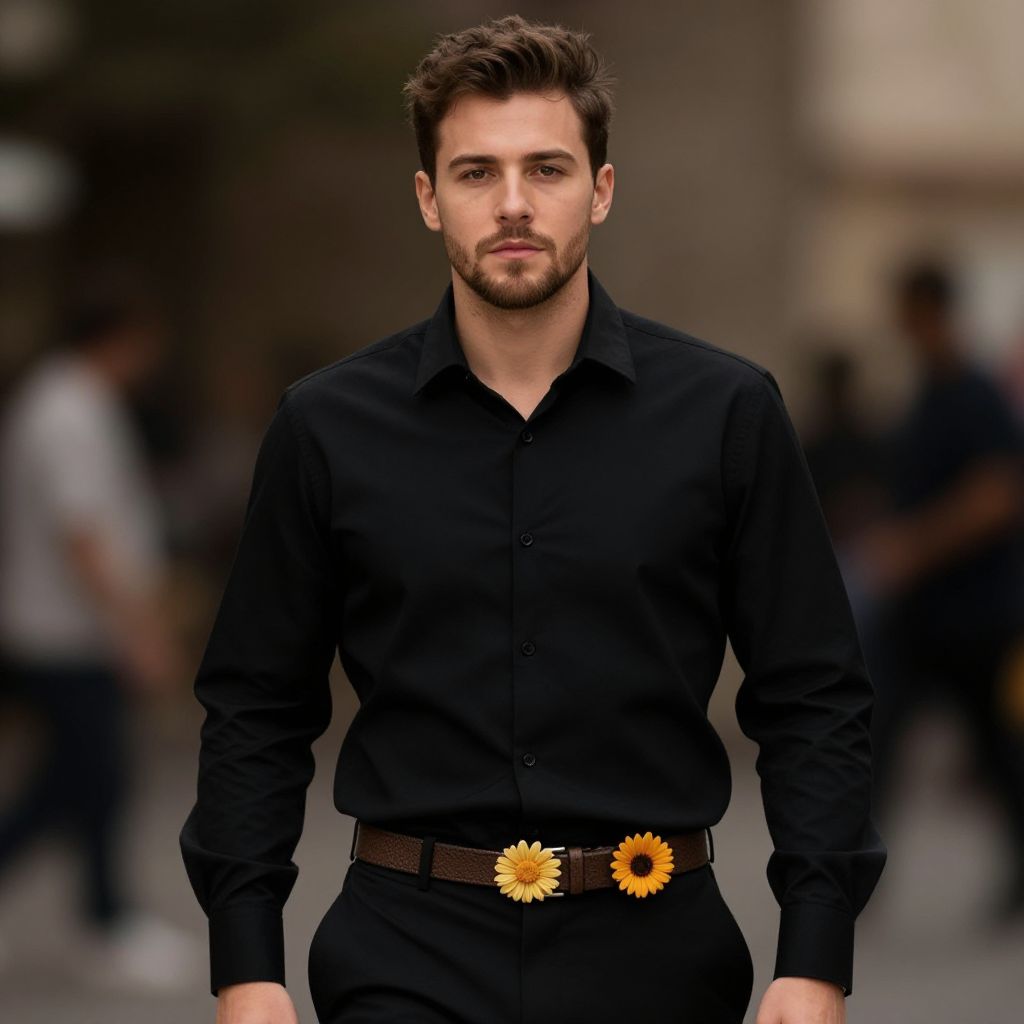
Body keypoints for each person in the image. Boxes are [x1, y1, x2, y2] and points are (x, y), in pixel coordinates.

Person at [179, 14, 886, 1024]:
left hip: (657, 956)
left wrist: (815, 955)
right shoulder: (326, 426)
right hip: (401, 955)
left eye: (546, 169)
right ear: (428, 198)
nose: (512, 204)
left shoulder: (727, 414)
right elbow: (255, 706)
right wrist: (244, 967)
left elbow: (815, 695)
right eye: (475, 173)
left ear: (600, 188)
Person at [0, 283, 198, 991]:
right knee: (85, 779)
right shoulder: (67, 412)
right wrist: (138, 630)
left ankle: (107, 918)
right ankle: (108, 921)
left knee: (81, 780)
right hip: (67, 633)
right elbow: (82, 533)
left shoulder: (70, 401)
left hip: (68, 629)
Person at [854, 258, 1024, 923]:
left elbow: (995, 496)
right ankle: (850, 877)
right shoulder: (928, 391)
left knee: (996, 752)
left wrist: (913, 546)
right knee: (875, 740)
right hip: (923, 617)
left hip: (974, 616)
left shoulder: (972, 391)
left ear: (926, 309)